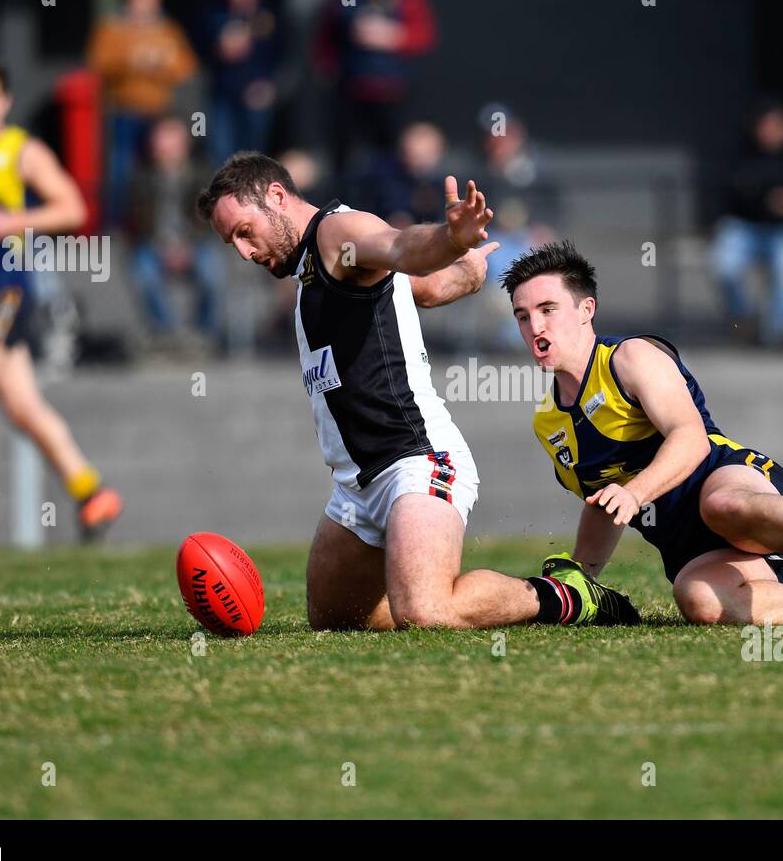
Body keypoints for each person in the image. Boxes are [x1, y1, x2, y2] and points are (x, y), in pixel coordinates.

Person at [196, 152, 638, 630]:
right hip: (357, 484)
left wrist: (449, 238)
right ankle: (421, 584)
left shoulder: (336, 233)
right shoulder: (310, 263)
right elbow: (413, 286)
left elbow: (401, 246)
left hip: (417, 461)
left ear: (277, 197)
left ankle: (567, 596)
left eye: (244, 231)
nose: (243, 251)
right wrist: (463, 275)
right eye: (231, 243)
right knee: (335, 619)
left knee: (426, 612)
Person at [500, 241, 783, 626]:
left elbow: (691, 438)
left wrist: (636, 492)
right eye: (523, 316)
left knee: (722, 504)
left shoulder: (629, 358)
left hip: (736, 485)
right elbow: (602, 506)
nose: (535, 326)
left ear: (586, 310)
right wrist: (581, 577)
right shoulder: (550, 423)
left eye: (547, 309)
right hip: (699, 550)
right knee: (697, 600)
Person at [0, 60, 123, 546]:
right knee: (22, 406)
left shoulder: (22, 151)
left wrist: (15, 221)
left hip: (6, 290)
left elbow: (72, 207)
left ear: (5, 102)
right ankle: (92, 493)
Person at [87, 0, 198, 227]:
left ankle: (151, 225)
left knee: (158, 170)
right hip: (124, 110)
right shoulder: (114, 27)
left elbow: (186, 66)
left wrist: (161, 63)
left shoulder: (166, 29)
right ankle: (115, 222)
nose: (145, 4)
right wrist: (130, 61)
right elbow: (98, 62)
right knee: (120, 168)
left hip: (158, 112)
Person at [313, 0, 437, 177]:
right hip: (352, 89)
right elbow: (330, 30)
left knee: (392, 155)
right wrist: (328, 66)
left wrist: (393, 35)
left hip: (392, 92)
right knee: (346, 155)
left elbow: (424, 35)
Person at [708, 100, 783, 347]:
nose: (771, 131)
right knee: (722, 263)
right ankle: (743, 317)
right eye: (766, 125)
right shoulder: (740, 154)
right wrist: (767, 201)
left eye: (777, 126)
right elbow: (730, 196)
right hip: (745, 228)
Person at [127, 117, 224, 348]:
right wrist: (161, 247)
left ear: (184, 144)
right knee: (143, 274)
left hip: (195, 244)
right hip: (153, 245)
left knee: (212, 273)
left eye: (170, 141)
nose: (164, 147)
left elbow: (210, 218)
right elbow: (135, 222)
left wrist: (186, 247)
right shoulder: (140, 177)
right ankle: (167, 334)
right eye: (160, 140)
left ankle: (204, 335)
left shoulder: (202, 175)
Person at [197, 0, 287, 166]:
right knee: (221, 160)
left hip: (259, 99)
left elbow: (289, 59)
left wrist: (273, 88)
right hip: (220, 98)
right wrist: (219, 47)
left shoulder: (273, 13)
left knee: (255, 162)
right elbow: (196, 57)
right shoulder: (212, 13)